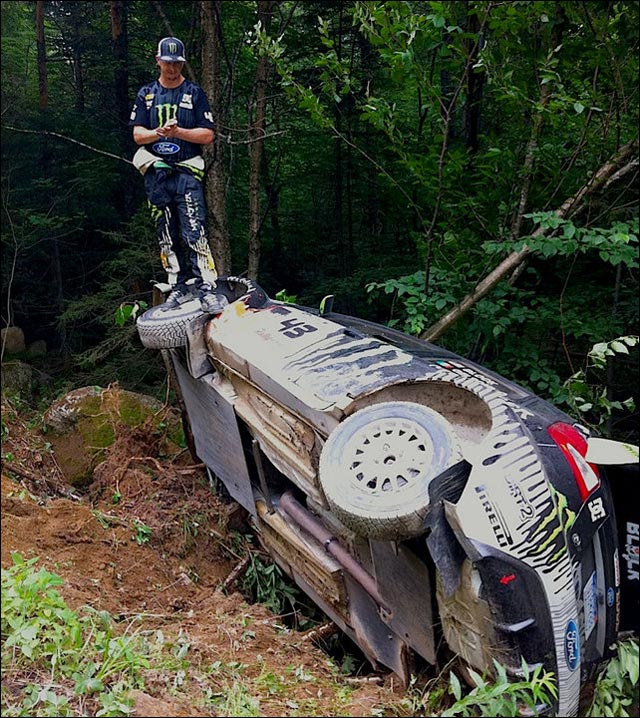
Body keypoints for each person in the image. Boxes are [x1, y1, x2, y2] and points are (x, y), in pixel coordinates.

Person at [129, 36, 226, 314]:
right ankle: (177, 285)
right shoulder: (147, 94)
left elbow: (207, 134)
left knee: (194, 229)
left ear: (182, 63)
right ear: (158, 61)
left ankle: (207, 286)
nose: (172, 69)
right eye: (168, 63)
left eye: (177, 64)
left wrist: (178, 132)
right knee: (166, 233)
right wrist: (158, 133)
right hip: (157, 173)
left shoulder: (194, 93)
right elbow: (137, 135)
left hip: (186, 170)